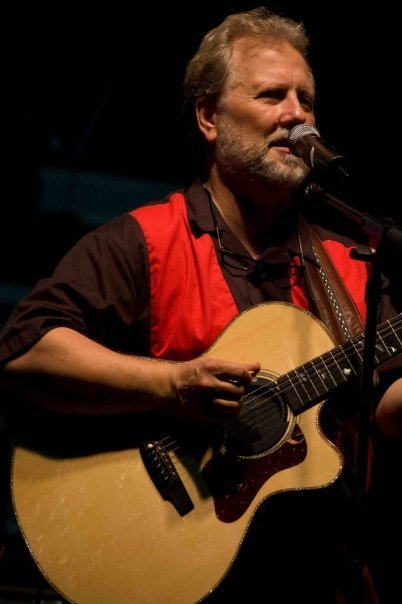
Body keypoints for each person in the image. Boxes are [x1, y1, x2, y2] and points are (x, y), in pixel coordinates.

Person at [1, 6, 401, 604]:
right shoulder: (145, 242)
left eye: (306, 100)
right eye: (272, 95)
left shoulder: (349, 266)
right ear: (209, 117)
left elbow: (387, 408)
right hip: (172, 565)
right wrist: (173, 384)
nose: (297, 114)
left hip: (317, 578)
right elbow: (23, 350)